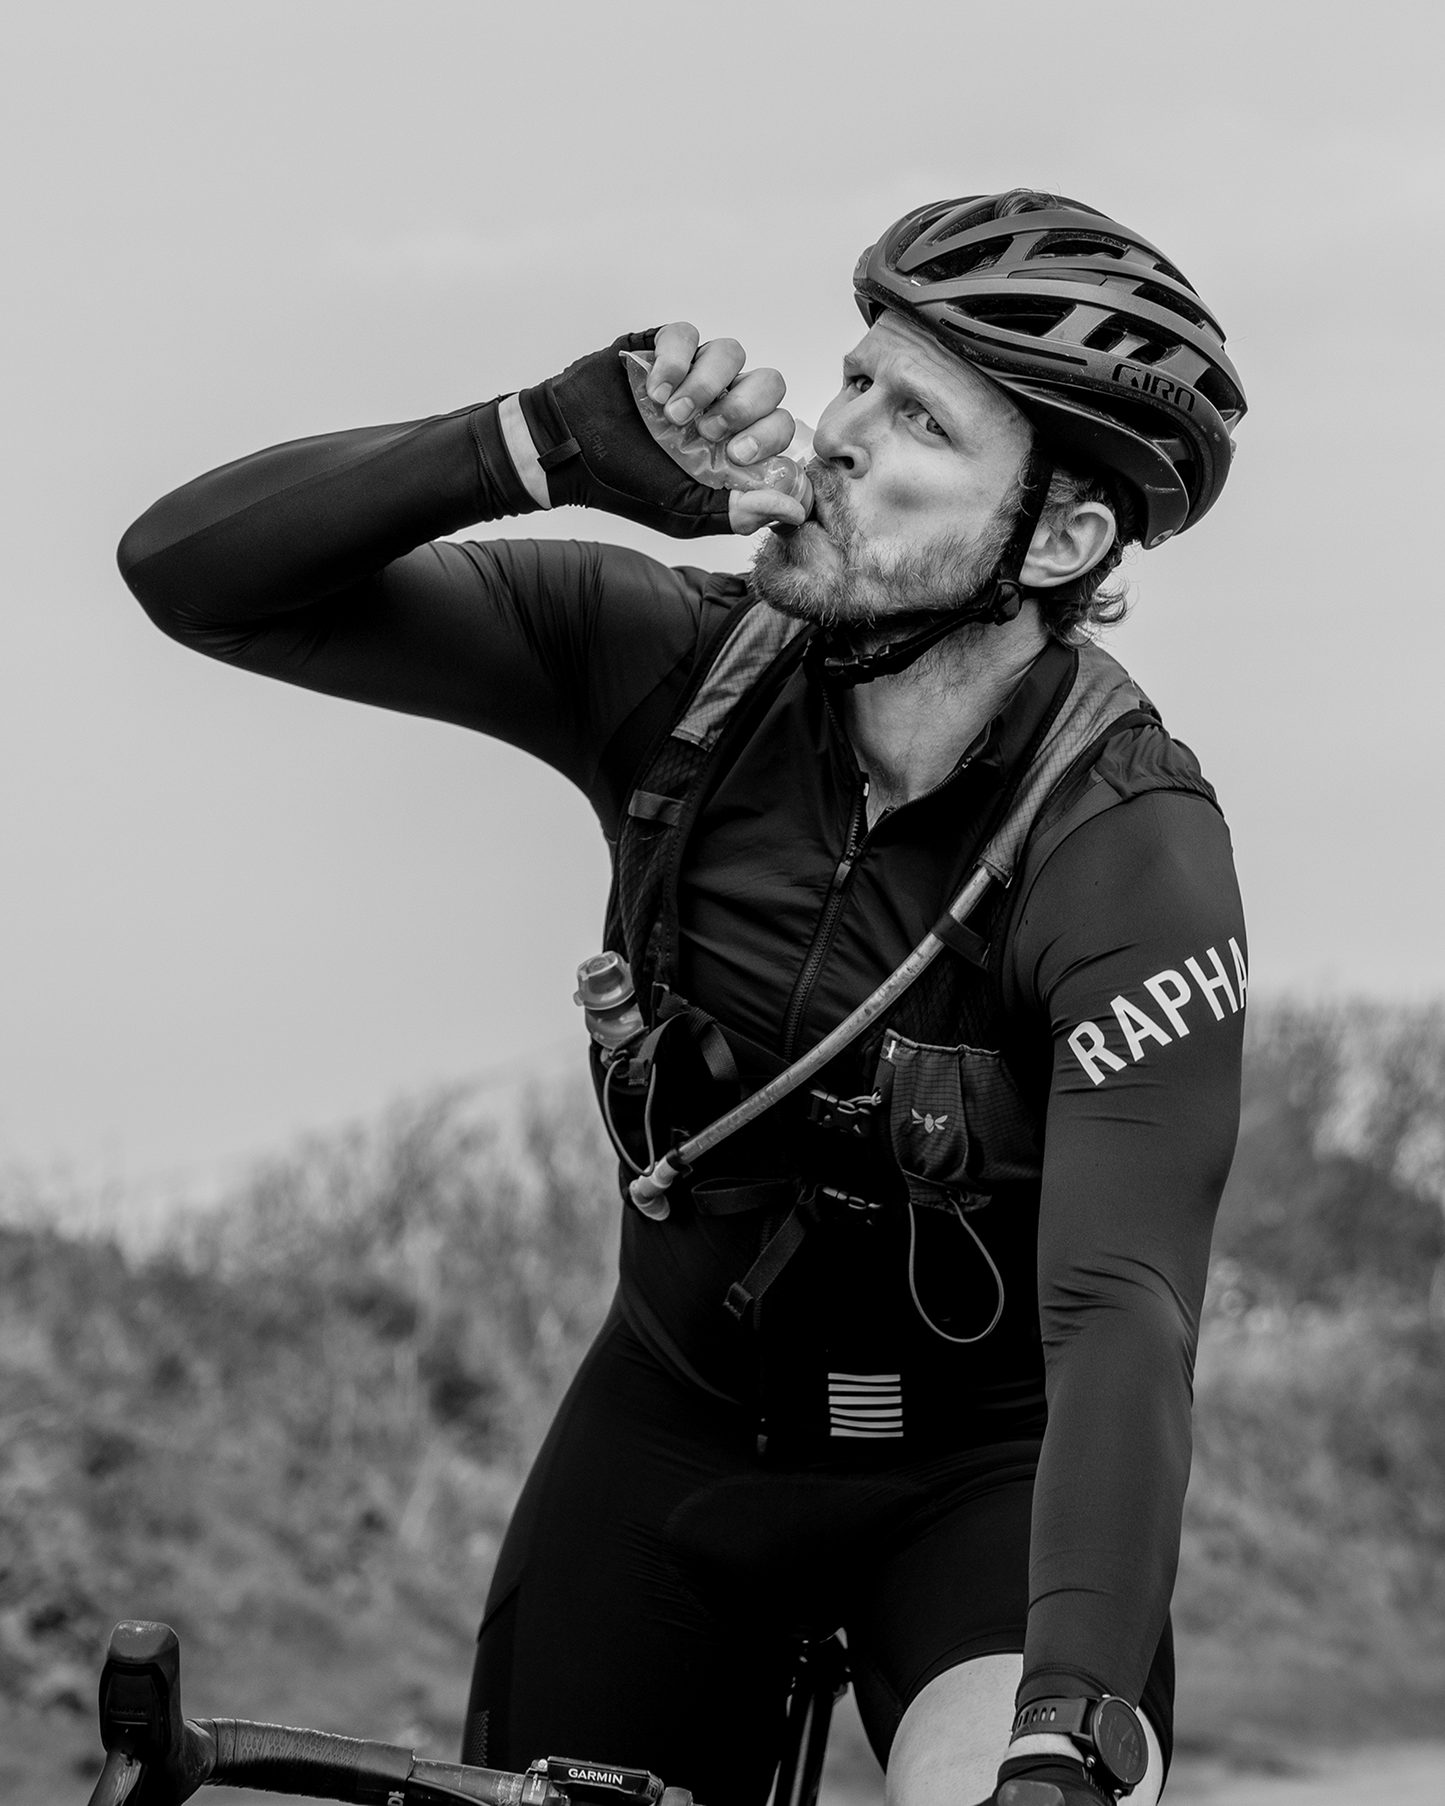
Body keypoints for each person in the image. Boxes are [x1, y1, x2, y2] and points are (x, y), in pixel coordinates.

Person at [118, 189, 1248, 1806]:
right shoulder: (672, 664)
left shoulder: (1128, 849)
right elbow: (193, 575)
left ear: (1059, 540)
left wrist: (1064, 1735)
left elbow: (1124, 1319)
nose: (839, 432)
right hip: (680, 1429)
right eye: (857, 378)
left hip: (989, 1487)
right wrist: (530, 443)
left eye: (921, 420)